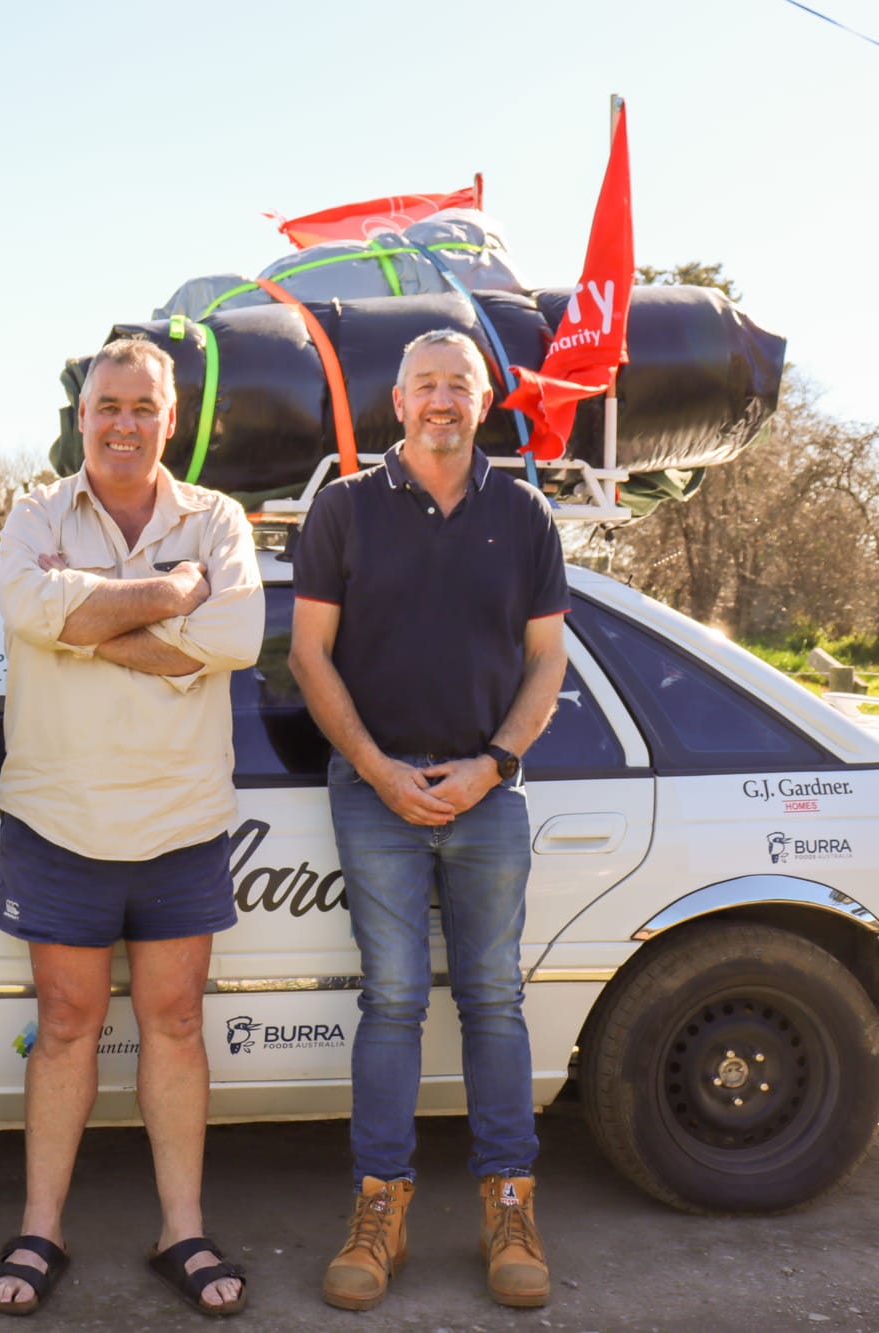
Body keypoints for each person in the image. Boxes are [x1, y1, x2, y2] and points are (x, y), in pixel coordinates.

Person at [286, 329, 569, 1312]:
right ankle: (379, 1212)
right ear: (395, 402)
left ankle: (508, 1205)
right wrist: (377, 770)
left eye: (459, 385)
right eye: (424, 385)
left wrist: (491, 767)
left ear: (481, 403)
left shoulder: (526, 515)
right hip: (374, 794)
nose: (441, 400)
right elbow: (307, 655)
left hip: (486, 794)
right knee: (394, 998)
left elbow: (546, 663)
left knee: (493, 996)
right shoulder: (344, 509)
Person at [0, 338, 264, 1318]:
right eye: (106, 405)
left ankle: (178, 1228)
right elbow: (28, 606)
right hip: (57, 817)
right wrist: (170, 596)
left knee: (175, 1025)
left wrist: (92, 622)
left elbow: (238, 635)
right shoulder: (33, 515)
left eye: (142, 406)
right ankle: (39, 1228)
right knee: (63, 1026)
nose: (122, 423)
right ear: (81, 413)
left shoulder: (216, 518)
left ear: (169, 417)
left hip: (182, 820)